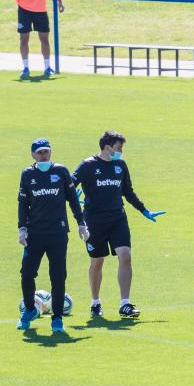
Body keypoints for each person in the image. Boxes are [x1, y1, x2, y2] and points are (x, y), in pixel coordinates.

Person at [72, 130, 166, 319]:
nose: (121, 151)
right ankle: (95, 302)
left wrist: (144, 210)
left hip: (117, 219)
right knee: (97, 262)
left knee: (125, 256)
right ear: (107, 147)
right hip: (94, 220)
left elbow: (128, 192)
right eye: (119, 147)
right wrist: (74, 195)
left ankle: (125, 303)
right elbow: (70, 184)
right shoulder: (88, 165)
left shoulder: (120, 165)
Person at [17, 138, 88, 332]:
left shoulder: (61, 171)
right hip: (35, 234)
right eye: (39, 152)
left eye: (46, 151)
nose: (43, 155)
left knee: (58, 276)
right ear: (33, 154)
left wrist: (81, 223)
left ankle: (57, 317)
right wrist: (22, 229)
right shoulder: (27, 174)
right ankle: (30, 309)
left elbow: (73, 198)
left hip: (57, 233)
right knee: (27, 274)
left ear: (51, 152)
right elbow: (23, 203)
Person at [9, 0, 64, 79]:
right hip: (24, 9)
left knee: (44, 39)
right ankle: (25, 68)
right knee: (24, 39)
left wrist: (59, 1)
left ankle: (47, 68)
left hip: (41, 9)